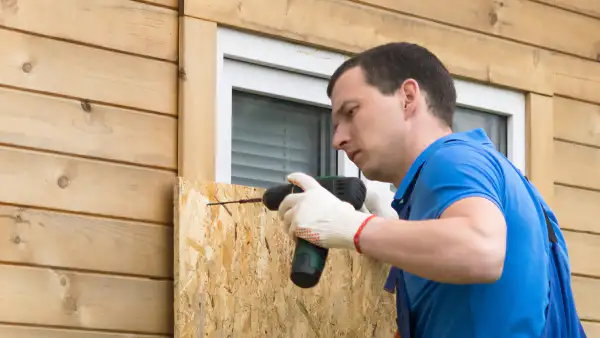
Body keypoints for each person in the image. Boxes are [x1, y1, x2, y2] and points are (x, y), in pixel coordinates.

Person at [276, 43, 587, 337]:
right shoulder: (489, 172)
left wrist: (353, 227)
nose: (338, 139)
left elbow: (481, 249)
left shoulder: (451, 158)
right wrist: (396, 232)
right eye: (334, 126)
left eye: (351, 112)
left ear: (408, 97)